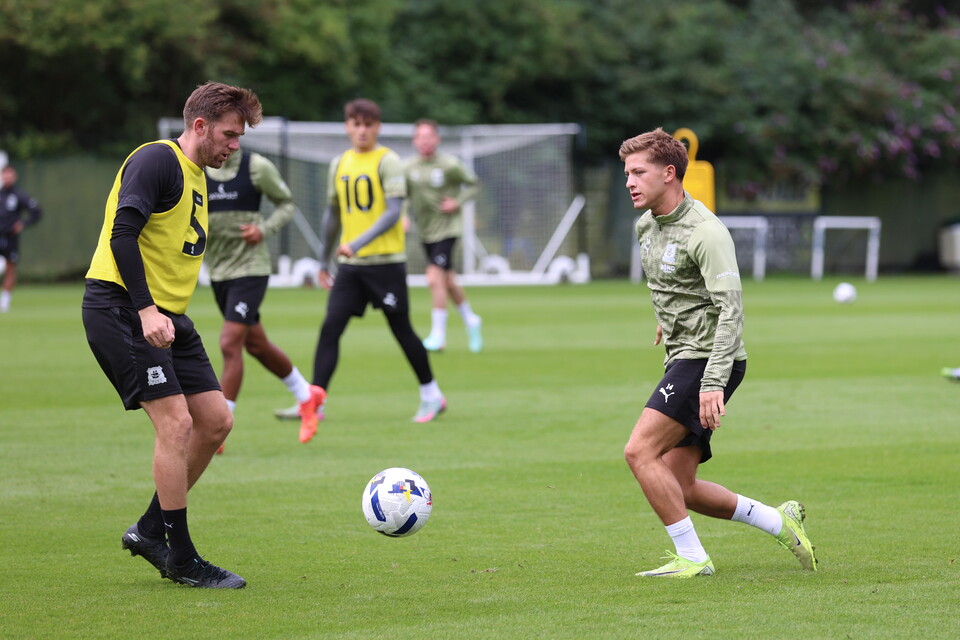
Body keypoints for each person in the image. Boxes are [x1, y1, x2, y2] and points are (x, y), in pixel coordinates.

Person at [81, 81, 262, 588]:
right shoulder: (157, 160)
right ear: (199, 126)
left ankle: (147, 530)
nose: (235, 145)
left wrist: (161, 313)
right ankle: (180, 558)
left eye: (240, 137)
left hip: (169, 318)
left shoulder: (197, 174)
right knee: (177, 425)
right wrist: (143, 310)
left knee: (216, 421)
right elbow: (122, 234)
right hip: (122, 308)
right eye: (229, 134)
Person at [620, 128, 817, 578]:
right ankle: (779, 520)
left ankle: (692, 557)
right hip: (683, 354)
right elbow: (678, 288)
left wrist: (712, 382)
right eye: (626, 173)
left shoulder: (707, 232)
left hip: (709, 359)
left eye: (638, 172)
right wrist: (668, 320)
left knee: (639, 452)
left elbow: (731, 309)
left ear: (670, 174)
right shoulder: (645, 225)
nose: (629, 182)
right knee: (681, 485)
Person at [298, 99, 445, 444]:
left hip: (385, 264)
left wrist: (359, 242)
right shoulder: (340, 163)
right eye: (355, 123)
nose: (361, 130)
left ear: (377, 127)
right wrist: (323, 261)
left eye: (368, 124)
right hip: (350, 267)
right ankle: (314, 402)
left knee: (402, 330)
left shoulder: (388, 161)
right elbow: (332, 214)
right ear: (347, 126)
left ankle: (431, 393)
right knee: (330, 328)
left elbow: (393, 212)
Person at [204, 149, 317, 451]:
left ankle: (219, 427)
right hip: (218, 272)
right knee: (256, 345)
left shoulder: (257, 167)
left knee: (230, 342)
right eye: (225, 132)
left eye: (235, 134)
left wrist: (264, 229)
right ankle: (307, 395)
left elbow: (286, 204)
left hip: (251, 268)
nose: (230, 141)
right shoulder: (196, 168)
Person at [404, 119, 483, 353]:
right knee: (447, 281)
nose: (425, 142)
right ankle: (471, 319)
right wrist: (402, 215)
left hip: (448, 230)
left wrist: (457, 202)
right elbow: (402, 195)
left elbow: (474, 184)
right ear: (415, 141)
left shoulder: (450, 165)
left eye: (429, 137)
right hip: (426, 231)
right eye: (421, 137)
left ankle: (438, 336)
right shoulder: (408, 168)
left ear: (437, 139)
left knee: (433, 278)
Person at [0, 163, 43, 313]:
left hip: (10, 237)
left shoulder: (19, 195)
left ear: (14, 176)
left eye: (10, 175)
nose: (7, 178)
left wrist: (23, 223)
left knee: (10, 268)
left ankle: (4, 303)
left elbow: (36, 212)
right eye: (5, 174)